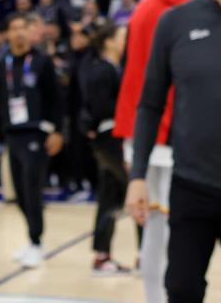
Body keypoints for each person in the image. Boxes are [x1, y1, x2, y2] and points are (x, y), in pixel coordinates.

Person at [126, 0, 221, 302]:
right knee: (182, 291)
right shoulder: (174, 22)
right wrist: (138, 175)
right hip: (191, 186)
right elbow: (150, 103)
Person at [113, 0, 207, 302]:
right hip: (174, 132)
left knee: (155, 229)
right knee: (176, 233)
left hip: (140, 130)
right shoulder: (198, 6)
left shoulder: (148, 3)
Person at [0, 12, 63, 269]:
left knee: (32, 189)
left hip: (36, 134)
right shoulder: (3, 62)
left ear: (30, 32)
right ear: (7, 33)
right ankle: (32, 240)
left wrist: (57, 131)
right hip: (11, 134)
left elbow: (56, 98)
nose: (18, 32)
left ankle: (36, 242)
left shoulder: (42, 61)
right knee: (18, 192)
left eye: (22, 28)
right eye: (14, 28)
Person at [79, 23, 130, 275]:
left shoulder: (115, 67)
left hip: (113, 137)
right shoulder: (103, 70)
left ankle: (102, 255)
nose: (126, 41)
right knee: (134, 188)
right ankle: (143, 254)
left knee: (110, 194)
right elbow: (97, 108)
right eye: (122, 36)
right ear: (109, 41)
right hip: (110, 138)